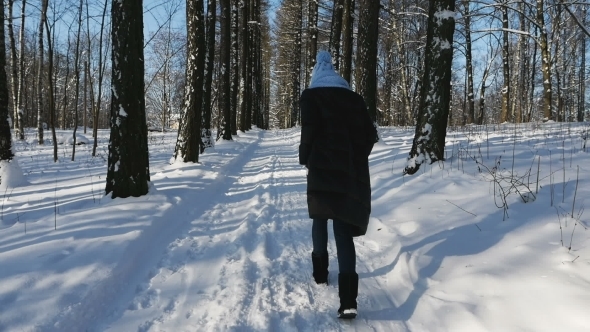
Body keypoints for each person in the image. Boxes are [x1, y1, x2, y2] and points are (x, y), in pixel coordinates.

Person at [299, 51, 377, 319]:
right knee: (342, 230)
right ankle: (348, 301)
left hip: (320, 166)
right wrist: (354, 158)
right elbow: (370, 135)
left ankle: (320, 274)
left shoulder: (311, 96)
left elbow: (309, 128)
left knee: (320, 218)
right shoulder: (354, 99)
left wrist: (305, 156)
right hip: (348, 171)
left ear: (316, 72)